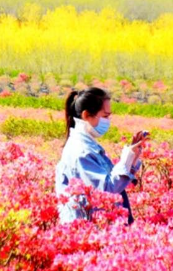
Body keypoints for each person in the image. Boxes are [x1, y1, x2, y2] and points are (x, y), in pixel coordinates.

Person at [55, 87, 145, 225]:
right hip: (88, 231)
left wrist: (132, 158)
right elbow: (107, 191)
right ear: (86, 115)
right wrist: (126, 159)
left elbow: (111, 183)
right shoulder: (82, 151)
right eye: (105, 116)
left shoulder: (87, 145)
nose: (108, 121)